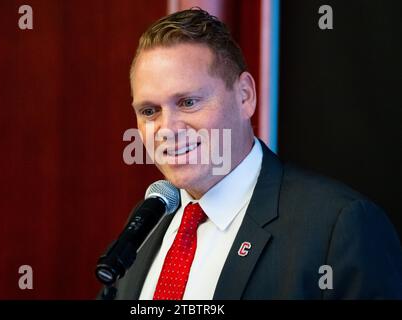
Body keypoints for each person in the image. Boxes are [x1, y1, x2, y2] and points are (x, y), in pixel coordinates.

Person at [98, 8, 402, 299]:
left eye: (188, 102)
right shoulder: (141, 230)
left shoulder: (339, 228)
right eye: (150, 111)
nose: (167, 129)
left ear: (245, 96)